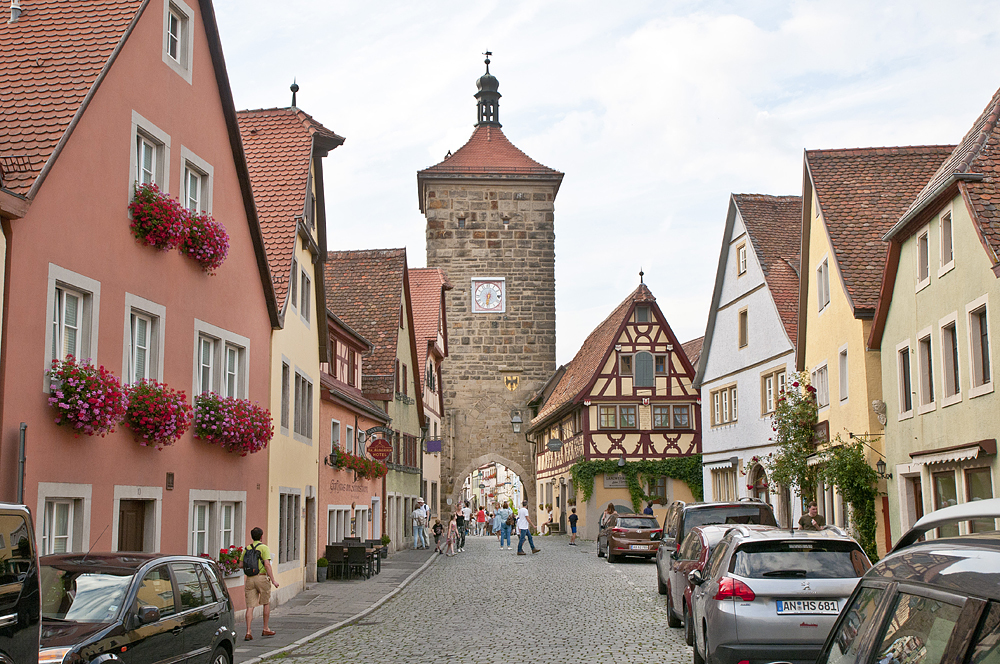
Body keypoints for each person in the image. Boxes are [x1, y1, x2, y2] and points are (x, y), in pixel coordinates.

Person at [240, 526, 279, 641]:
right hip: (261, 578)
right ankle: (265, 628)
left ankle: (248, 631)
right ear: (261, 537)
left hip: (250, 579)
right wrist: (273, 580)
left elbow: (240, 565)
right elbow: (267, 565)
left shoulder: (247, 548)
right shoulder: (264, 548)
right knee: (266, 603)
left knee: (250, 606)